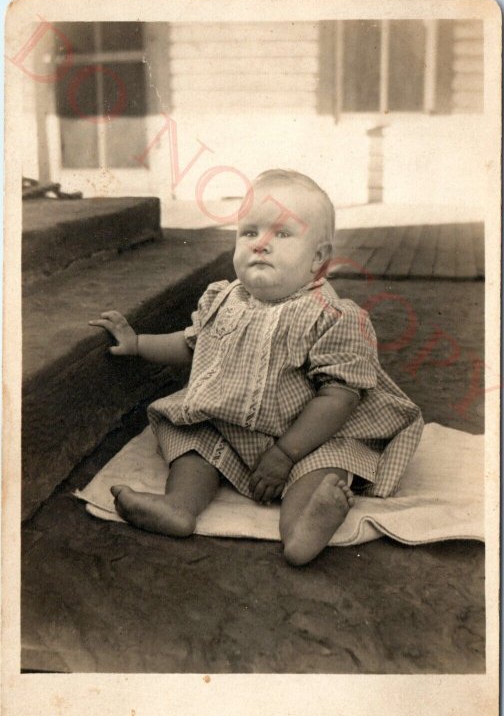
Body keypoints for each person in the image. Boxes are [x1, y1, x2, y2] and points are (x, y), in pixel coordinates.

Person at [89, 170, 423, 566]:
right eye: (249, 233)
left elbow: (339, 398)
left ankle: (303, 525)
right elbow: (193, 345)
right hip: (230, 430)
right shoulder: (223, 298)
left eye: (282, 235)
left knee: (327, 464)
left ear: (318, 258)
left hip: (306, 437)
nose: (261, 245)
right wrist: (139, 343)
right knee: (193, 441)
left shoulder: (331, 316)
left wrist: (285, 454)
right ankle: (179, 506)